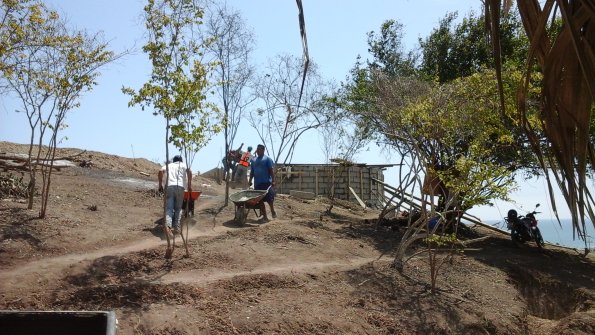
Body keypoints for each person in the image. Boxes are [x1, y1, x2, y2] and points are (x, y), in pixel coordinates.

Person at [158, 155, 192, 238]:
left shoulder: (168, 165)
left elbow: (160, 171)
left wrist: (160, 185)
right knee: (178, 208)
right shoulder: (184, 165)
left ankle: (168, 227)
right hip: (180, 187)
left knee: (169, 208)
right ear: (181, 160)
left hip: (169, 187)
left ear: (173, 160)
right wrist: (190, 185)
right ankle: (176, 227)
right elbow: (189, 172)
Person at [248, 144, 276, 222]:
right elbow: (252, 172)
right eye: (257, 149)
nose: (258, 151)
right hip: (257, 184)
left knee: (269, 200)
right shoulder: (253, 160)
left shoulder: (267, 159)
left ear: (263, 150)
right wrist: (250, 180)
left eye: (259, 149)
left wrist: (273, 180)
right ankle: (265, 217)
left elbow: (271, 171)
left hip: (266, 183)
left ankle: (273, 211)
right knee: (259, 201)